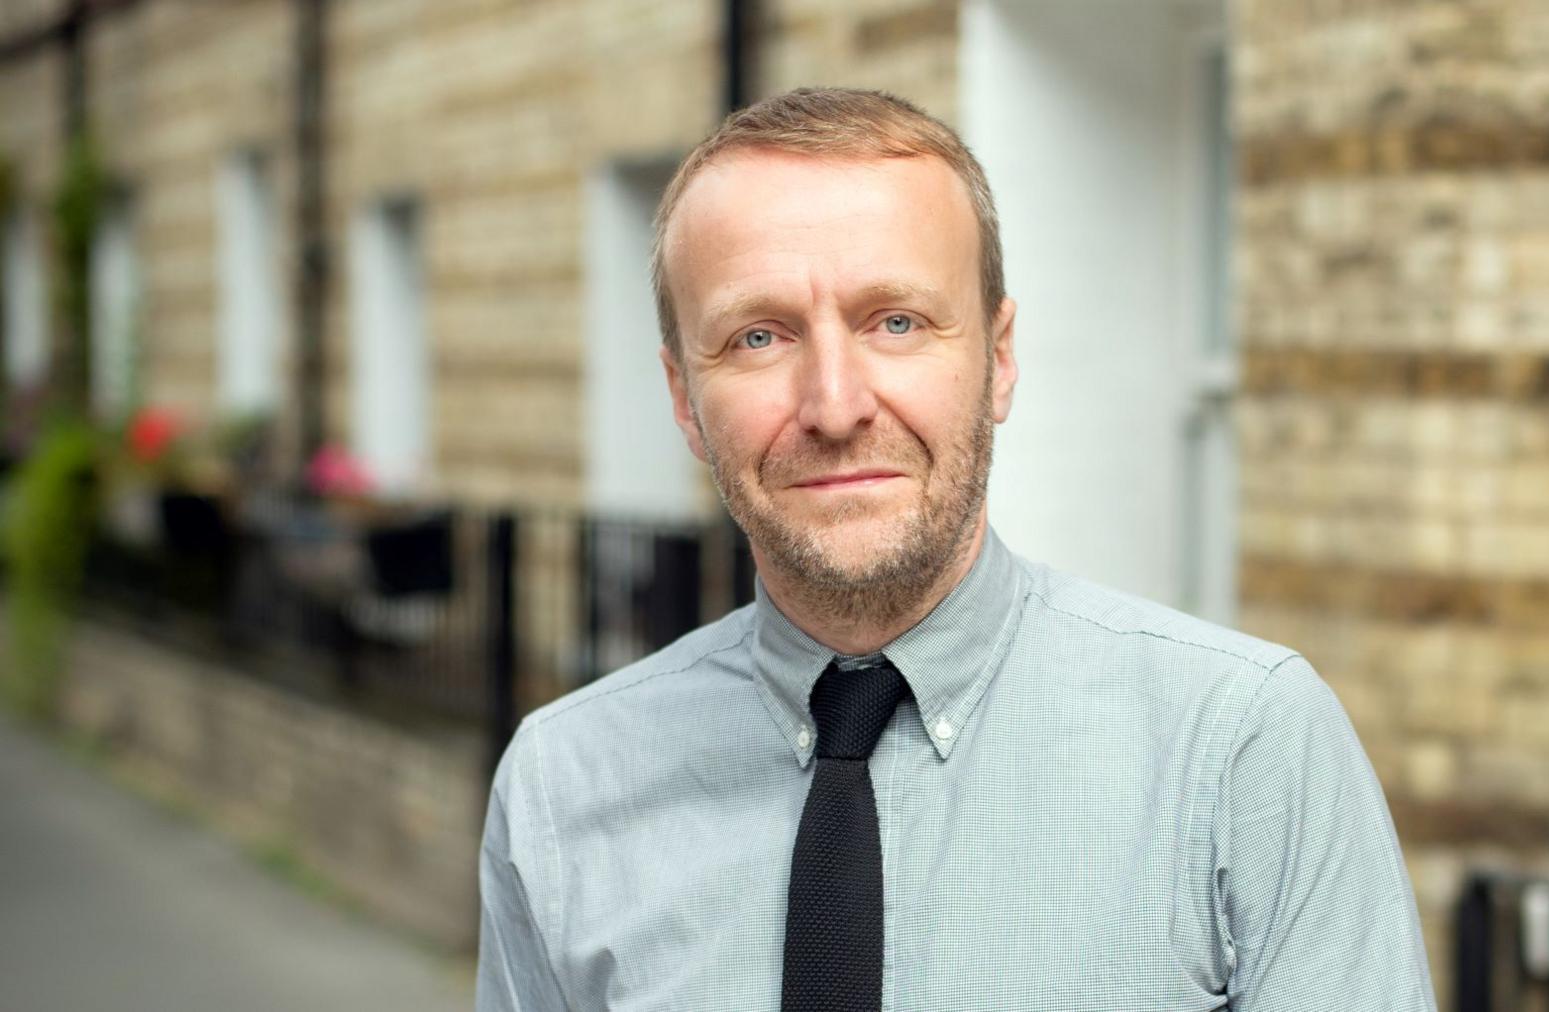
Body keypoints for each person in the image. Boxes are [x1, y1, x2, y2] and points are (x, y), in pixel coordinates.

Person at [476, 87, 1437, 1011]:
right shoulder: (565, 786)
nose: (836, 406)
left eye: (896, 322)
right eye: (759, 337)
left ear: (1000, 358)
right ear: (686, 397)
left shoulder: (1240, 750)